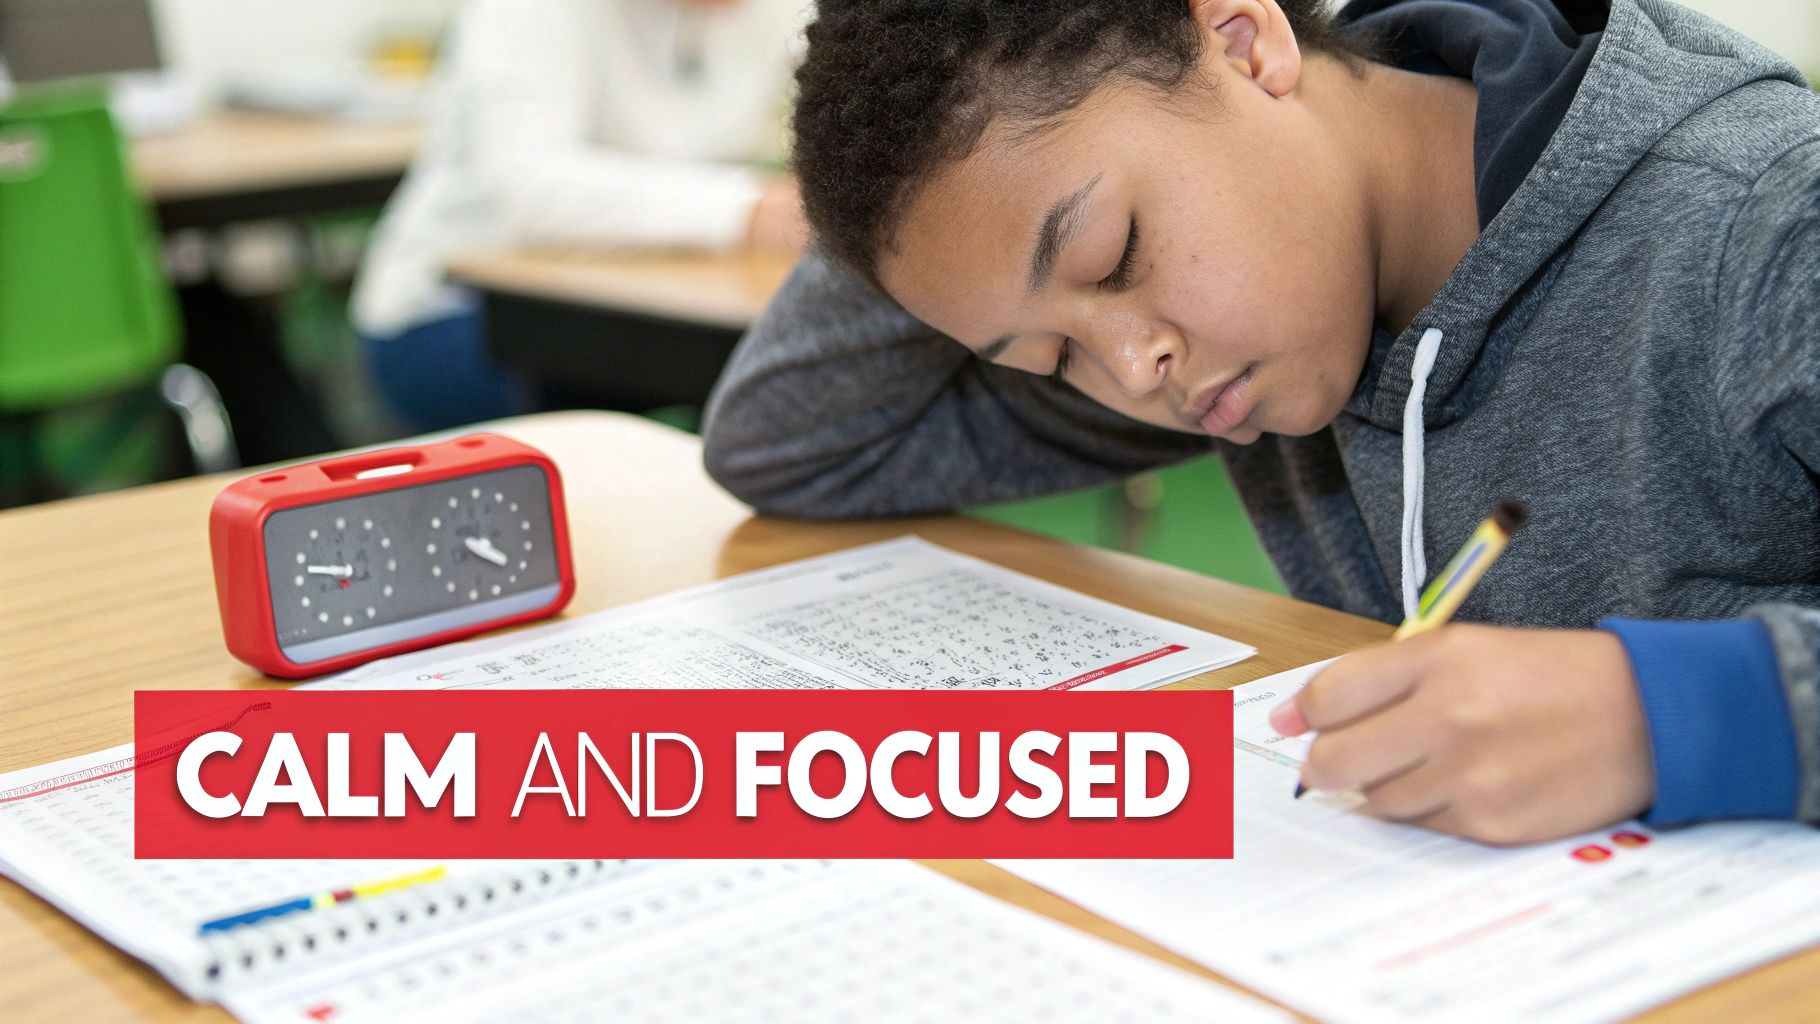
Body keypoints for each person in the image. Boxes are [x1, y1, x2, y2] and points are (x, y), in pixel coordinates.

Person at [701, 0, 1820, 844]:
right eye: (1045, 356)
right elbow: (789, 438)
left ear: (1243, 43)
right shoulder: (1261, 344)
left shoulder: (1766, 225)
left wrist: (1674, 713)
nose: (1133, 367)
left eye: (1110, 255)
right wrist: (919, 211)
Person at [352, 0, 810, 433]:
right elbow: (530, 188)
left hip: (643, 297)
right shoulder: (535, 13)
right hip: (458, 314)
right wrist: (748, 209)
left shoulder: (762, 16)